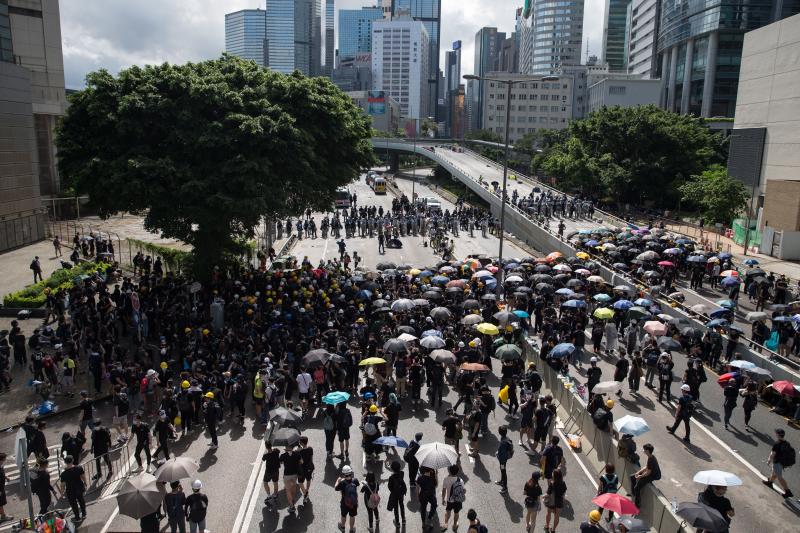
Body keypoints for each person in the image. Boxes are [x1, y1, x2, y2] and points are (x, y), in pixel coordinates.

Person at [763, 428, 795, 498]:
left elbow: (773, 454)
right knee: (774, 473)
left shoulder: (777, 443)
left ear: (777, 435)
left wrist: (769, 460)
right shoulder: (786, 443)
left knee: (779, 477)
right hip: (783, 462)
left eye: (776, 433)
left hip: (777, 462)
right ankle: (770, 482)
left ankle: (788, 491)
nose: (775, 434)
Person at [59, 455, 87, 522]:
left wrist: (62, 493)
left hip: (70, 491)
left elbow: (62, 485)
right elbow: (83, 476)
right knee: (81, 501)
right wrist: (85, 483)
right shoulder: (79, 468)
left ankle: (77, 518)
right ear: (73, 460)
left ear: (65, 462)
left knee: (74, 504)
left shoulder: (63, 474)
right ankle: (84, 514)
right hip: (79, 488)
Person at [335, 464, 360, 533]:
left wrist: (338, 480)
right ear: (351, 473)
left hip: (344, 502)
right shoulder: (355, 480)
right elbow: (355, 490)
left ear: (343, 474)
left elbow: (335, 488)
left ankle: (342, 527)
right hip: (354, 502)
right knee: (352, 516)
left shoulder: (342, 483)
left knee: (343, 515)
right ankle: (351, 529)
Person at [442, 464, 465, 532]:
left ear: (449, 471)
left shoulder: (446, 479)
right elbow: (463, 491)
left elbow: (444, 490)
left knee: (448, 512)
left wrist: (443, 499)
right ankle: (455, 525)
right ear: (457, 472)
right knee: (456, 513)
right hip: (457, 500)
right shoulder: (460, 480)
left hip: (450, 500)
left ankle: (446, 524)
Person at [544, 468, 567, 533]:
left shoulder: (552, 483)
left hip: (552, 501)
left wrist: (542, 496)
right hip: (559, 502)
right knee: (556, 516)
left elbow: (548, 494)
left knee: (548, 513)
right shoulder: (563, 483)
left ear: (555, 476)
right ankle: (553, 529)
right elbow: (564, 492)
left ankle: (547, 526)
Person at [280, 443, 300, 513]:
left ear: (286, 449)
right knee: (294, 487)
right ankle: (293, 499)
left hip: (287, 475)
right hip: (295, 474)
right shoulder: (297, 454)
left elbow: (281, 462)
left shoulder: (283, 455)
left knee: (288, 490)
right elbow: (301, 461)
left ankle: (291, 506)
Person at [387, 460, 407, 527]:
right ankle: (403, 519)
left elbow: (389, 487)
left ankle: (397, 522)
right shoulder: (402, 473)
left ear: (392, 469)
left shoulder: (391, 478)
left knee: (396, 508)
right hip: (401, 493)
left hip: (395, 495)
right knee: (401, 505)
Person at [495, 425, 514, 493]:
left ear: (499, 432)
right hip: (505, 459)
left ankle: (505, 487)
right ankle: (501, 481)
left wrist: (497, 455)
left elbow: (501, 454)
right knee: (502, 471)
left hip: (502, 461)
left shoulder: (503, 442)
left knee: (503, 472)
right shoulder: (506, 438)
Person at [262, 440, 280, 506]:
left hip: (268, 472)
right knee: (275, 482)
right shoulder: (276, 452)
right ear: (271, 445)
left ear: (266, 447)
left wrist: (266, 452)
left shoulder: (266, 455)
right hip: (275, 471)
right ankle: (275, 495)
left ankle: (269, 495)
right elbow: (278, 451)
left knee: (265, 482)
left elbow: (263, 459)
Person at [297, 435, 314, 502]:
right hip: (310, 467)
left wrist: (298, 452)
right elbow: (311, 458)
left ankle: (305, 493)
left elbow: (301, 462)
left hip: (302, 469)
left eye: (300, 442)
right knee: (308, 479)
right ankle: (307, 490)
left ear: (302, 443)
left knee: (300, 482)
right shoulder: (310, 448)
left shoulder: (300, 452)